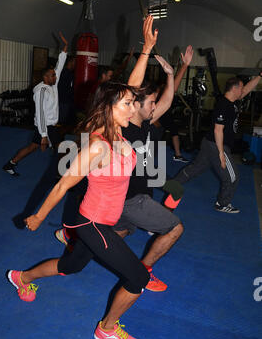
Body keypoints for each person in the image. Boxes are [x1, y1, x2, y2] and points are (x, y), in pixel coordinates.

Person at [7, 16, 158, 339]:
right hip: (89, 221)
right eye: (127, 104)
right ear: (110, 109)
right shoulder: (98, 145)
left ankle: (23, 277)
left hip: (105, 219)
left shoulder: (125, 130)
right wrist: (35, 216)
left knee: (70, 267)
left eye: (133, 103)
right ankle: (106, 329)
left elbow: (131, 88)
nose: (134, 106)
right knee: (138, 278)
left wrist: (146, 51)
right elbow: (61, 186)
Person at [112, 54, 184, 292]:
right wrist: (144, 53)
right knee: (175, 229)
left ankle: (78, 241)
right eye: (150, 102)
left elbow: (166, 101)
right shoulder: (122, 129)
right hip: (131, 199)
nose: (155, 106)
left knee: (119, 233)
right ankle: (145, 272)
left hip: (131, 198)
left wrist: (172, 75)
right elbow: (129, 92)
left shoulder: (144, 123)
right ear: (134, 106)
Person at [174, 71, 262, 213]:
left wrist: (260, 76)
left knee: (195, 169)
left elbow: (247, 89)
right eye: (240, 88)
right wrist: (221, 153)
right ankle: (222, 203)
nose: (242, 90)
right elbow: (217, 130)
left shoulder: (233, 101)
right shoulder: (223, 104)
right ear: (234, 89)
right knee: (233, 177)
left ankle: (173, 184)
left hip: (209, 143)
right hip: (217, 145)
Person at [2, 32, 68, 176]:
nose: (55, 76)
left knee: (32, 147)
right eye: (52, 75)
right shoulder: (41, 91)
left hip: (50, 125)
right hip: (45, 126)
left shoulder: (52, 85)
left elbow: (59, 66)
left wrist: (64, 50)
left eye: (55, 75)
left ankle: (10, 164)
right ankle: (61, 175)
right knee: (60, 148)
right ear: (45, 77)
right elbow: (40, 113)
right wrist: (44, 135)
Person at [158, 45, 194, 162]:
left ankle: (178, 154)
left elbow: (172, 88)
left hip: (164, 114)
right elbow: (172, 89)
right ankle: (177, 154)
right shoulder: (160, 90)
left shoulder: (165, 90)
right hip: (159, 117)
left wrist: (184, 66)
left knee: (172, 131)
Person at [57, 55, 76, 130]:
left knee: (67, 122)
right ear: (70, 62)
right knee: (61, 121)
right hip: (63, 101)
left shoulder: (71, 74)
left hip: (67, 101)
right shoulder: (65, 73)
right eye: (74, 61)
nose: (76, 63)